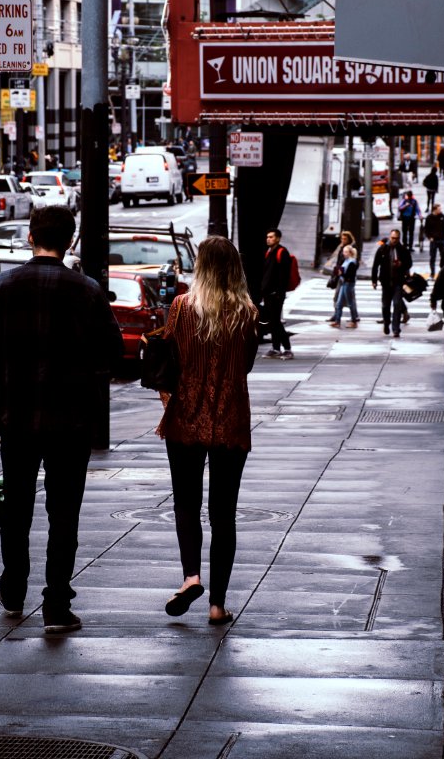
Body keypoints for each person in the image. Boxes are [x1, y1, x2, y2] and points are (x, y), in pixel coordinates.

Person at [0, 206, 123, 634]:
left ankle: (14, 589)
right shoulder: (86, 290)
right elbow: (111, 351)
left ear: (30, 236)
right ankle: (56, 601)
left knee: (17, 509)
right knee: (64, 514)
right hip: (70, 419)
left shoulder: (2, 286)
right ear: (70, 240)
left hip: (16, 417)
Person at [157, 236, 258, 625]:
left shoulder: (181, 308)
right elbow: (245, 366)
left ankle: (191, 577)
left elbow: (169, 360)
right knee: (224, 513)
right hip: (231, 420)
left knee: (186, 503)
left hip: (185, 417)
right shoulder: (247, 313)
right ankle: (217, 605)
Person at [371, 228, 412, 337]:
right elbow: (375, 265)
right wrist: (374, 280)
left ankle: (396, 328)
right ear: (390, 237)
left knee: (397, 304)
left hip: (398, 282)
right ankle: (386, 322)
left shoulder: (402, 250)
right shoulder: (383, 249)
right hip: (385, 282)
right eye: (393, 238)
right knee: (385, 306)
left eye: (396, 238)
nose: (394, 240)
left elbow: (409, 263)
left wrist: (401, 264)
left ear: (399, 239)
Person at [260, 228, 293, 359]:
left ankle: (287, 348)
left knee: (276, 322)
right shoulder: (269, 252)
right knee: (273, 322)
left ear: (278, 238)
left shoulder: (282, 252)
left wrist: (278, 292)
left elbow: (284, 275)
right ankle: (276, 348)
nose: (268, 239)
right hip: (269, 294)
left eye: (271, 237)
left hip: (275, 294)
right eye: (267, 237)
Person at [324, 230, 358, 320]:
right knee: (342, 299)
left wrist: (342, 272)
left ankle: (352, 317)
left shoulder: (350, 250)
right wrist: (335, 274)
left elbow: (352, 264)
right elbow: (339, 262)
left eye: (345, 239)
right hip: (341, 276)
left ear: (349, 239)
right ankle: (338, 316)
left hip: (347, 278)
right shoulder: (342, 247)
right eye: (342, 238)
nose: (343, 240)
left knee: (347, 299)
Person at [329, 245, 359, 328]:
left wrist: (341, 273)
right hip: (344, 283)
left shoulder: (352, 262)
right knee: (339, 303)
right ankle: (337, 321)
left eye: (345, 252)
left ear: (350, 253)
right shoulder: (346, 260)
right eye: (343, 252)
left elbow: (350, 275)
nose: (343, 254)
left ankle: (354, 321)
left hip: (348, 284)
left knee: (350, 303)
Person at [424, 203, 444, 278]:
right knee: (432, 257)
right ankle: (432, 273)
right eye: (439, 209)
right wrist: (429, 237)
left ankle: (443, 272)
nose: (440, 211)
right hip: (433, 240)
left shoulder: (442, 217)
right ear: (435, 210)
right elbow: (426, 229)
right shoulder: (429, 218)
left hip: (441, 239)